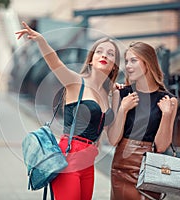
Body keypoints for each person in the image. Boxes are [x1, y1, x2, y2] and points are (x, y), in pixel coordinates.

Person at [16, 21, 120, 200]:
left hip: (88, 164)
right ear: (91, 58)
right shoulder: (76, 82)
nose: (104, 55)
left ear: (114, 65)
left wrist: (118, 100)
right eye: (100, 51)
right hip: (69, 159)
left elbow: (109, 133)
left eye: (110, 54)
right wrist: (41, 41)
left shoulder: (108, 93)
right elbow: (55, 63)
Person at [107, 41, 178, 200]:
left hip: (150, 168)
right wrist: (123, 110)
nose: (128, 66)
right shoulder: (121, 94)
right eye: (126, 61)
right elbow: (113, 140)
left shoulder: (169, 101)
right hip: (122, 167)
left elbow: (161, 146)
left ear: (148, 63)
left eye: (133, 60)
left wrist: (166, 115)